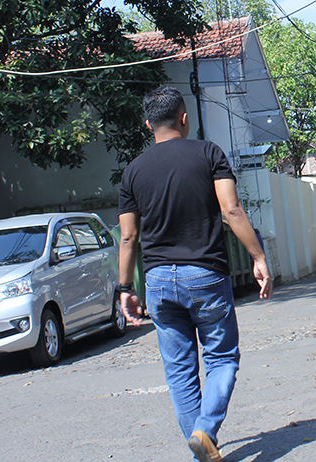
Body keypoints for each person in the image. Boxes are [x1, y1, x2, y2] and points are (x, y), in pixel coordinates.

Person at [117, 85, 273, 462]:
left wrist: (125, 288)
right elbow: (232, 210)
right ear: (184, 118)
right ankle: (205, 431)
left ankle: (202, 448)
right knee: (221, 358)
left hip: (157, 281)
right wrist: (258, 257)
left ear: (147, 123)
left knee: (180, 372)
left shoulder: (133, 172)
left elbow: (128, 236)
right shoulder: (209, 153)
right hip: (204, 274)